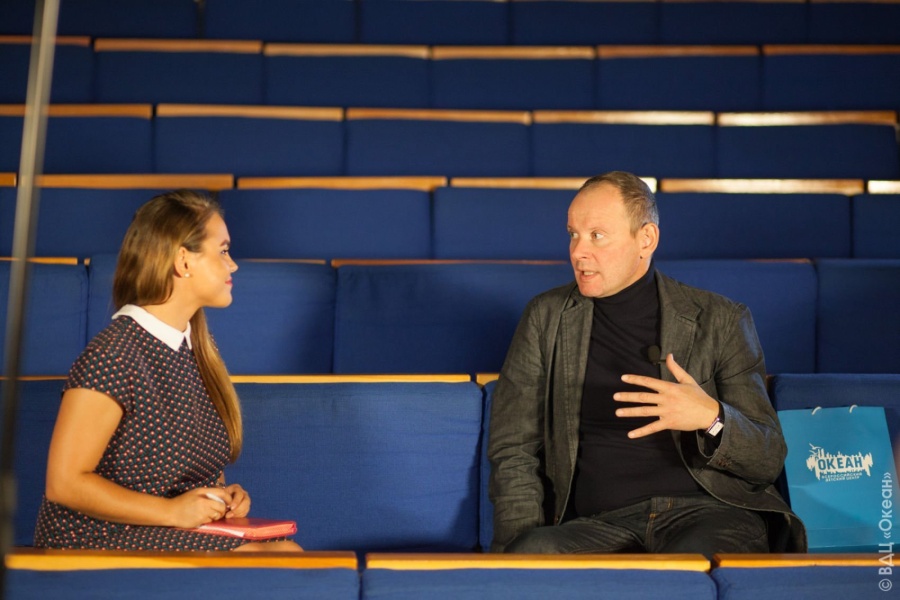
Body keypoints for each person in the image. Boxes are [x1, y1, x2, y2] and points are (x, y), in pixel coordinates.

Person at [487, 171, 806, 555]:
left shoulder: (720, 319)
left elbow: (767, 457)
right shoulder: (546, 317)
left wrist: (711, 417)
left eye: (597, 235)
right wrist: (513, 552)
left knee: (687, 565)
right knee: (532, 554)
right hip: (598, 525)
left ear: (646, 239)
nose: (577, 252)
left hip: (708, 515)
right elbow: (514, 448)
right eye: (573, 234)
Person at [34, 190, 301, 552]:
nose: (233, 265)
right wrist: (173, 511)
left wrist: (220, 498)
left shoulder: (198, 347)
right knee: (279, 558)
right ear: (183, 260)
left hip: (163, 528)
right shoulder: (114, 355)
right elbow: (64, 484)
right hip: (94, 538)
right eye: (223, 251)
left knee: (286, 553)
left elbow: (188, 472)